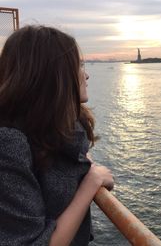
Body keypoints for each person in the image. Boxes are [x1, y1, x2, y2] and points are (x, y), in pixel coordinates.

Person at [0, 25, 114, 245]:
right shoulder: (8, 144)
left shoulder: (54, 129)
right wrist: (91, 182)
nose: (87, 74)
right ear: (54, 74)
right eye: (80, 65)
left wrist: (85, 163)